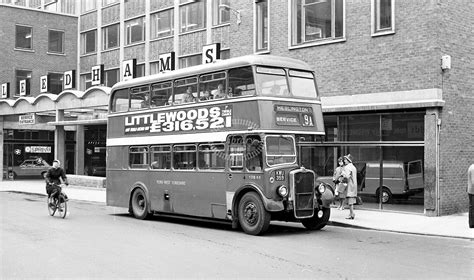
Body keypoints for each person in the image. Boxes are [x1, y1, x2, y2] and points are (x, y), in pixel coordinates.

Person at [342, 154, 357, 219]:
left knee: (350, 202)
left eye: (345, 159)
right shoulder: (353, 167)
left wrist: (343, 174)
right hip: (354, 185)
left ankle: (352, 214)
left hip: (349, 185)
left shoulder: (347, 167)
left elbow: (347, 176)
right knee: (351, 201)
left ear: (348, 160)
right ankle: (351, 214)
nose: (344, 161)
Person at [468, 163, 474, 228]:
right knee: (472, 208)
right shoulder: (473, 168)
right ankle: (472, 224)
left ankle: (472, 223)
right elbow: (473, 182)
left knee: (472, 207)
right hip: (473, 192)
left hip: (471, 191)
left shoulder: (471, 167)